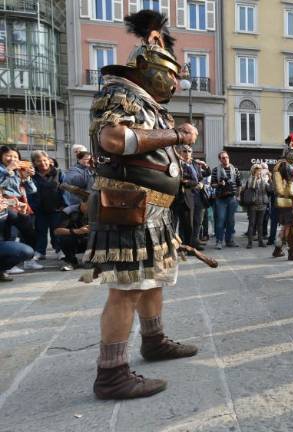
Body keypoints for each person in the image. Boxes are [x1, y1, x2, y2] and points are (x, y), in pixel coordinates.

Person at [85, 10, 199, 399]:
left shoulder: (144, 101)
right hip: (128, 207)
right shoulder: (120, 92)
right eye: (173, 73)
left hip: (153, 209)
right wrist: (174, 136)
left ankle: (154, 341)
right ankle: (111, 373)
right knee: (126, 288)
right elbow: (113, 140)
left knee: (153, 280)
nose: (177, 82)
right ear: (151, 62)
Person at [0, 146, 40, 273]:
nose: (12, 159)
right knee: (9, 234)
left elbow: (33, 190)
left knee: (29, 232)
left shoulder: (19, 170)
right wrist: (8, 171)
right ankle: (8, 265)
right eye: (8, 156)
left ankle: (29, 260)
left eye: (16, 157)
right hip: (5, 205)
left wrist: (27, 177)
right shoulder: (2, 170)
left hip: (20, 204)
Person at [29, 150, 64, 261]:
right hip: (39, 209)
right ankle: (40, 251)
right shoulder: (32, 175)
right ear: (34, 163)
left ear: (49, 160)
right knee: (40, 231)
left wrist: (65, 204)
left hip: (56, 208)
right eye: (39, 161)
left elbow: (65, 189)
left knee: (57, 230)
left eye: (44, 160)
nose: (43, 163)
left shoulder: (58, 172)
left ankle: (59, 250)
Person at [176, 145, 209, 250]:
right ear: (180, 152)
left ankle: (195, 241)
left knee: (198, 221)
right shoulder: (179, 164)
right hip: (186, 195)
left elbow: (205, 174)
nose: (187, 153)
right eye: (184, 151)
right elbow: (182, 180)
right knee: (186, 222)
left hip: (198, 195)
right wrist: (196, 184)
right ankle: (186, 245)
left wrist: (205, 165)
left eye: (189, 151)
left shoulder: (194, 163)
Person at [211, 150, 241, 249]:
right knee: (220, 220)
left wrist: (238, 196)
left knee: (231, 221)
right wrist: (219, 184)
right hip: (220, 199)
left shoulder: (235, 170)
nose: (225, 159)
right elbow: (212, 184)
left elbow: (239, 184)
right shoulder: (215, 170)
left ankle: (229, 240)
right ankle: (219, 241)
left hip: (232, 199)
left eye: (227, 157)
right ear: (220, 159)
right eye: (223, 158)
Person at [0, 199, 34, 281]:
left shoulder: (5, 211)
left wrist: (23, 213)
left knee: (26, 251)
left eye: (1, 196)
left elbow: (25, 228)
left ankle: (0, 270)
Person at [241, 163, 272, 248]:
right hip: (253, 204)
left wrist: (270, 178)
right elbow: (252, 187)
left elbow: (270, 189)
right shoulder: (250, 179)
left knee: (260, 224)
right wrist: (255, 177)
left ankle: (260, 241)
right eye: (257, 170)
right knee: (252, 223)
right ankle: (250, 242)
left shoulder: (264, 180)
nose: (259, 172)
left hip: (262, 204)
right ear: (253, 171)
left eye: (260, 170)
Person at [55, 201, 89, 271]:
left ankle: (93, 260)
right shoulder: (69, 211)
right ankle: (71, 261)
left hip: (90, 239)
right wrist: (77, 231)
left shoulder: (98, 211)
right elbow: (57, 231)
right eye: (88, 204)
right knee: (64, 238)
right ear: (82, 202)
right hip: (74, 239)